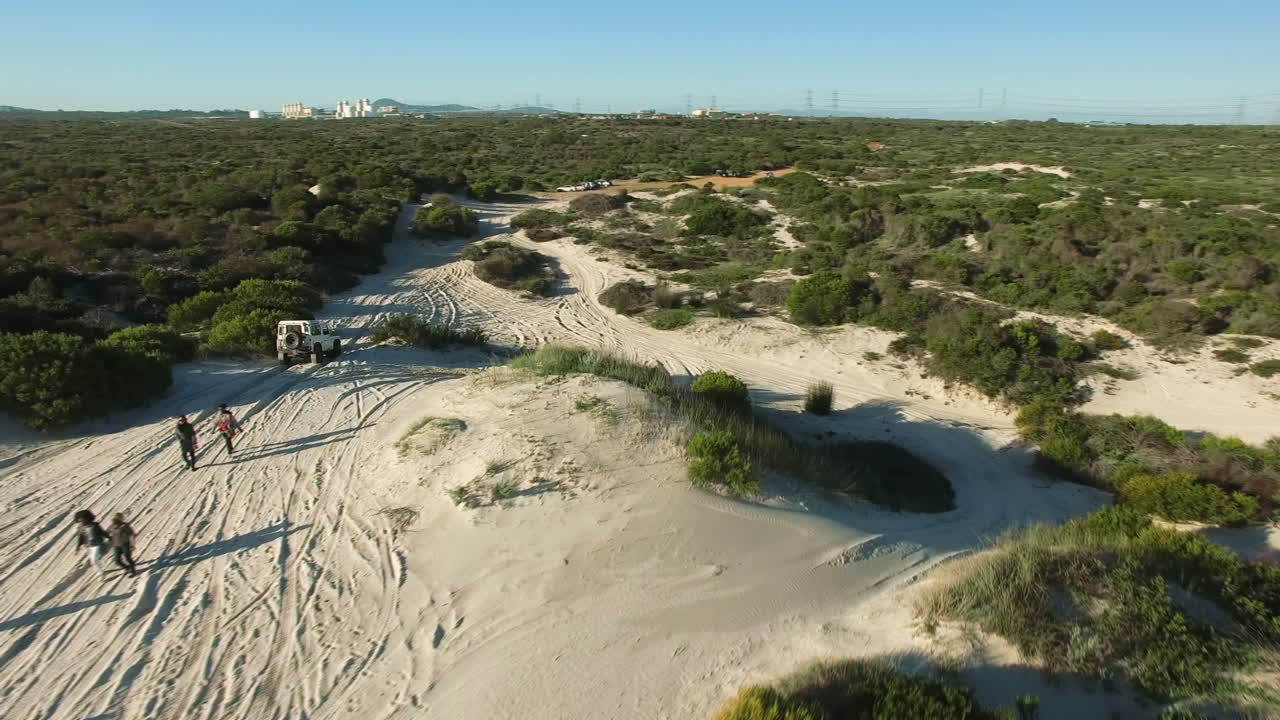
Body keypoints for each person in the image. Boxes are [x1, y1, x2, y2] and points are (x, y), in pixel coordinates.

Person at [73, 510, 110, 578]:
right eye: (79, 521)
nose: (81, 522)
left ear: (87, 519)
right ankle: (100, 570)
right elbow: (81, 538)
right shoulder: (81, 528)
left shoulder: (95, 526)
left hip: (98, 545)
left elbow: (103, 533)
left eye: (82, 520)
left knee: (94, 560)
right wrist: (78, 547)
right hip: (89, 546)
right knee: (93, 560)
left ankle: (101, 573)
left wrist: (109, 537)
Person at [109, 513, 139, 577]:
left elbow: (132, 534)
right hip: (116, 545)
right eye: (121, 517)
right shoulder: (112, 526)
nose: (122, 519)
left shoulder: (125, 526)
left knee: (128, 558)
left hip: (125, 544)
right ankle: (127, 568)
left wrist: (132, 544)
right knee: (117, 561)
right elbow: (109, 533)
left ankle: (133, 571)